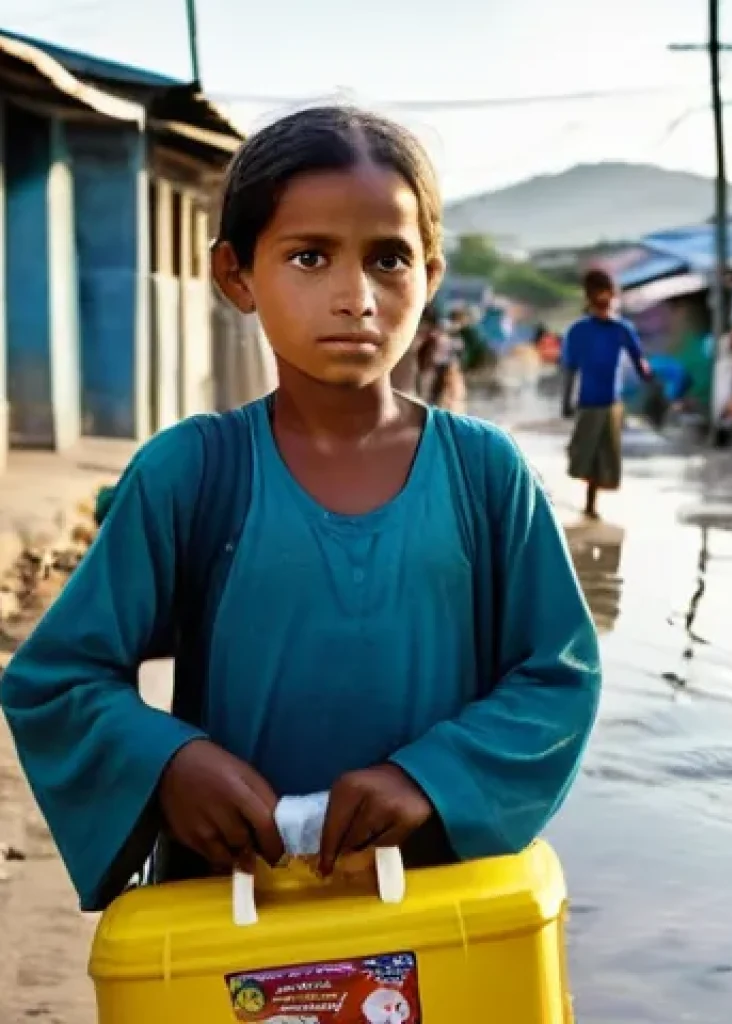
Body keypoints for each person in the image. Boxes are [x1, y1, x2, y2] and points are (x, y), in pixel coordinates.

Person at [0, 105, 602, 913]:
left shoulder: (484, 474)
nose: (355, 296)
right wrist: (169, 762)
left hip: (433, 908)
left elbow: (557, 675)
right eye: (310, 256)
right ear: (237, 275)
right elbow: (59, 679)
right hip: (238, 909)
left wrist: (431, 777)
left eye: (389, 259)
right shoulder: (192, 474)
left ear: (430, 274)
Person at [562, 269, 652, 519]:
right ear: (590, 297)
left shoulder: (622, 329)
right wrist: (566, 402)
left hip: (612, 403)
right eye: (598, 293)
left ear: (612, 295)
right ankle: (589, 502)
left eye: (607, 293)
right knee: (583, 455)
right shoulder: (578, 331)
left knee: (605, 457)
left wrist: (648, 375)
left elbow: (638, 358)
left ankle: (591, 505)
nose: (604, 299)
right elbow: (570, 369)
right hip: (587, 403)